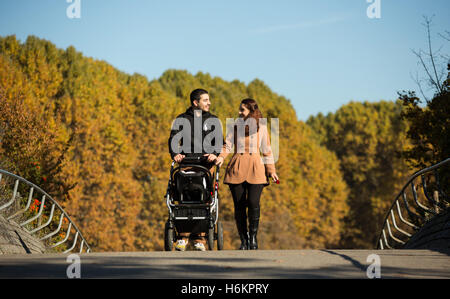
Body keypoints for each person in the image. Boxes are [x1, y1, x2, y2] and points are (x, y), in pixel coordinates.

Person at [215, 98, 279, 250]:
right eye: (239, 109)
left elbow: (267, 149)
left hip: (256, 168)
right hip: (237, 166)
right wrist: (221, 157)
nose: (239, 112)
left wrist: (271, 170)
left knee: (253, 203)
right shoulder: (235, 125)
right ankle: (244, 240)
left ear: (251, 111)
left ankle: (253, 238)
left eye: (242, 110)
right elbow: (228, 145)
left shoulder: (261, 127)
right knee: (239, 206)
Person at [168, 88, 223, 251]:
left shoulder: (213, 120)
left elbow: (218, 142)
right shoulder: (181, 119)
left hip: (206, 165)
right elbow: (173, 139)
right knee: (184, 199)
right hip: (187, 163)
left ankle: (201, 238)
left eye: (209, 100)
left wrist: (214, 154)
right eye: (205, 100)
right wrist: (175, 154)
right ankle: (183, 236)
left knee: (204, 199)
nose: (209, 103)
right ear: (195, 102)